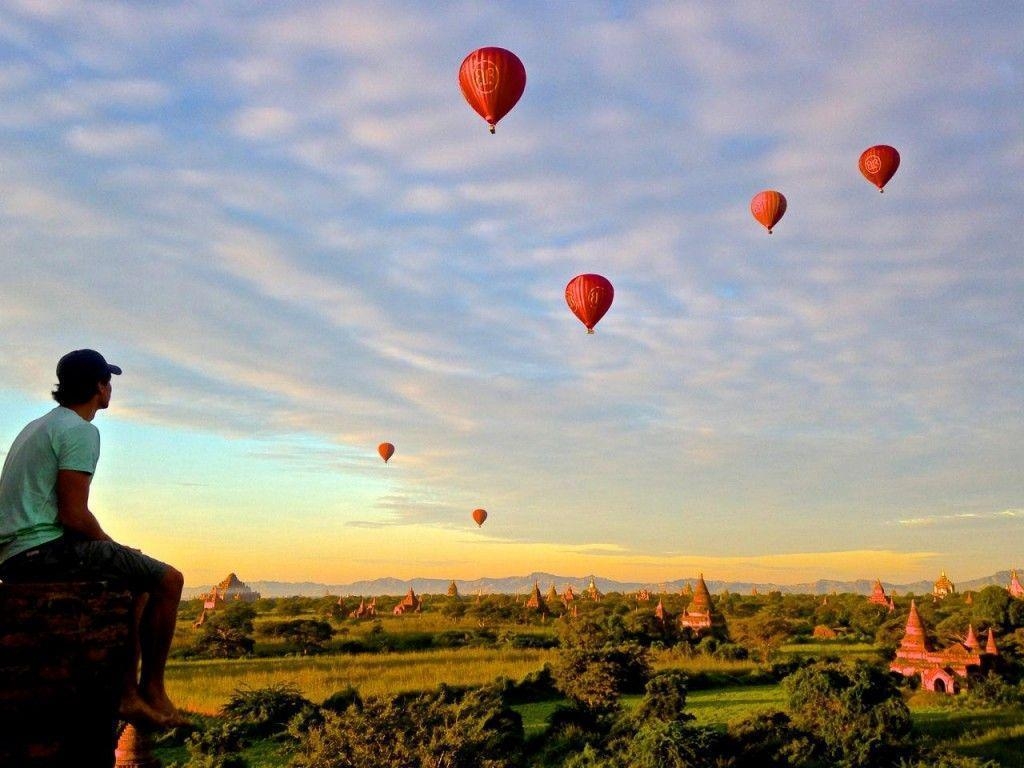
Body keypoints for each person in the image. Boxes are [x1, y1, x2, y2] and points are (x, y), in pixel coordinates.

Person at [0, 349, 187, 728]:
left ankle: (129, 692)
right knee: (169, 579)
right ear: (100, 387)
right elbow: (74, 514)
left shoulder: (38, 425)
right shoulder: (80, 431)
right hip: (41, 551)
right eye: (108, 382)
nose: (110, 389)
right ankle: (151, 689)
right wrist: (111, 547)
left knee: (138, 581)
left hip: (15, 552)